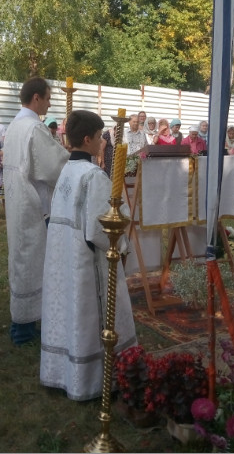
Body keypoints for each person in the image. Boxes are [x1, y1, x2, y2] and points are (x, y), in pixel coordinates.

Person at [40, 110, 137, 400]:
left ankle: (63, 373)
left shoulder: (66, 171)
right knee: (91, 316)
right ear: (87, 139)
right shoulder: (93, 176)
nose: (101, 142)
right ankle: (93, 381)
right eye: (98, 137)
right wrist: (122, 245)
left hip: (65, 258)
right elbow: (101, 228)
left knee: (69, 314)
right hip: (87, 262)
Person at [3, 77, 68, 345]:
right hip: (33, 204)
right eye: (48, 98)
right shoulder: (34, 128)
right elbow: (54, 167)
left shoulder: (14, 125)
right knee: (31, 261)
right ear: (37, 98)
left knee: (22, 260)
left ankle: (24, 323)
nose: (50, 104)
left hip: (16, 200)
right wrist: (75, 158)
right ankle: (23, 330)